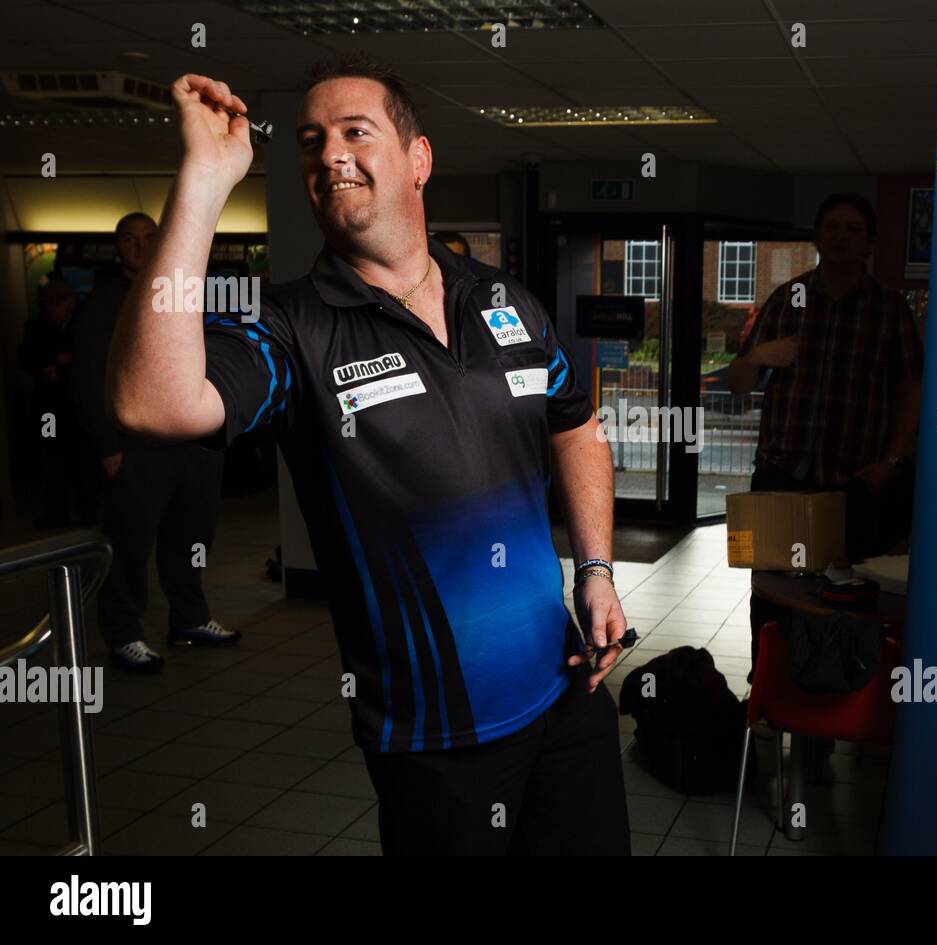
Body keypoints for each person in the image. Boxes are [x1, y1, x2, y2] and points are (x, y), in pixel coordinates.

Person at [106, 56, 631, 855]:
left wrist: (596, 569)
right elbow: (151, 401)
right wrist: (205, 182)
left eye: (357, 131)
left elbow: (575, 427)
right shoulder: (293, 326)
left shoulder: (506, 301)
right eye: (312, 141)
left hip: (569, 690)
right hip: (434, 734)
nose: (329, 154)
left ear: (419, 161)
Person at [729, 192, 924, 675]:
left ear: (869, 243)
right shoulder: (785, 300)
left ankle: (843, 708)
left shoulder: (889, 309)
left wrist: (895, 461)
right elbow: (736, 385)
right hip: (781, 481)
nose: (840, 236)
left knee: (852, 606)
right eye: (832, 227)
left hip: (858, 485)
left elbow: (910, 390)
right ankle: (769, 699)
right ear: (818, 236)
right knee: (769, 602)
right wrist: (756, 357)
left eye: (852, 229)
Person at [72, 212, 237, 674]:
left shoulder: (185, 291)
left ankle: (190, 619)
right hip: (136, 446)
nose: (142, 246)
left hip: (194, 441)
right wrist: (108, 446)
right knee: (128, 545)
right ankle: (123, 635)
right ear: (118, 248)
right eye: (131, 239)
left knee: (191, 537)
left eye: (151, 237)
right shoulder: (104, 304)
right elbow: (86, 377)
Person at [18, 277, 88, 528]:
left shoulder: (85, 324)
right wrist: (46, 365)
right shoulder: (36, 326)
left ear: (69, 303)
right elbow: (25, 358)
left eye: (56, 304)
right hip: (49, 408)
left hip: (78, 406)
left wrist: (69, 363)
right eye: (48, 305)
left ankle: (87, 510)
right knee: (52, 456)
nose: (51, 310)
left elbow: (95, 359)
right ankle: (56, 512)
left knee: (83, 459)